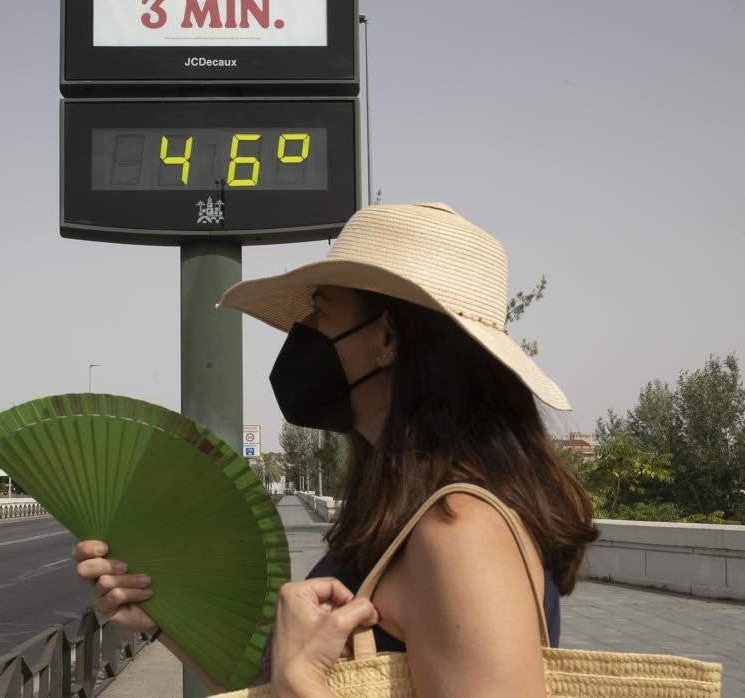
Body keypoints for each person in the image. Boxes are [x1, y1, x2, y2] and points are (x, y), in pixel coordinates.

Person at [74, 203, 599, 696]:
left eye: (320, 312)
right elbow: (279, 682)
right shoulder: (411, 516)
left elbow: (297, 683)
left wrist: (300, 679)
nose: (303, 332)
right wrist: (166, 617)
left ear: (387, 338)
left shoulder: (462, 531)